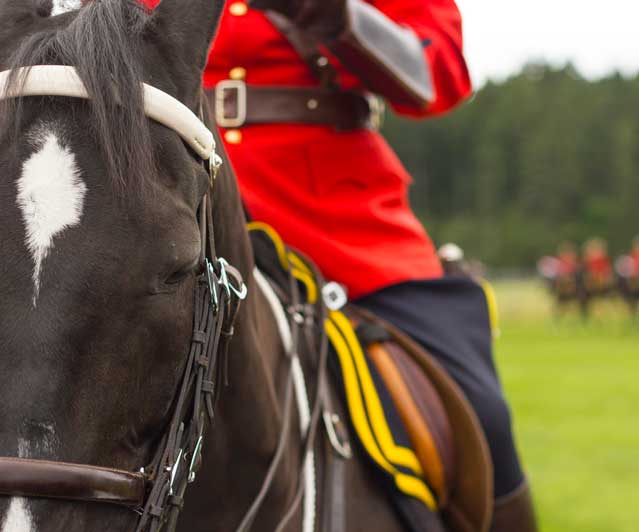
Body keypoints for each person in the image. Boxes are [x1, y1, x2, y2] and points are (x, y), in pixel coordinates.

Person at [142, 0, 537, 529]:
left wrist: (333, 13)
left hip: (334, 220)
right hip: (165, 201)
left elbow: (436, 67)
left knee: (477, 410)